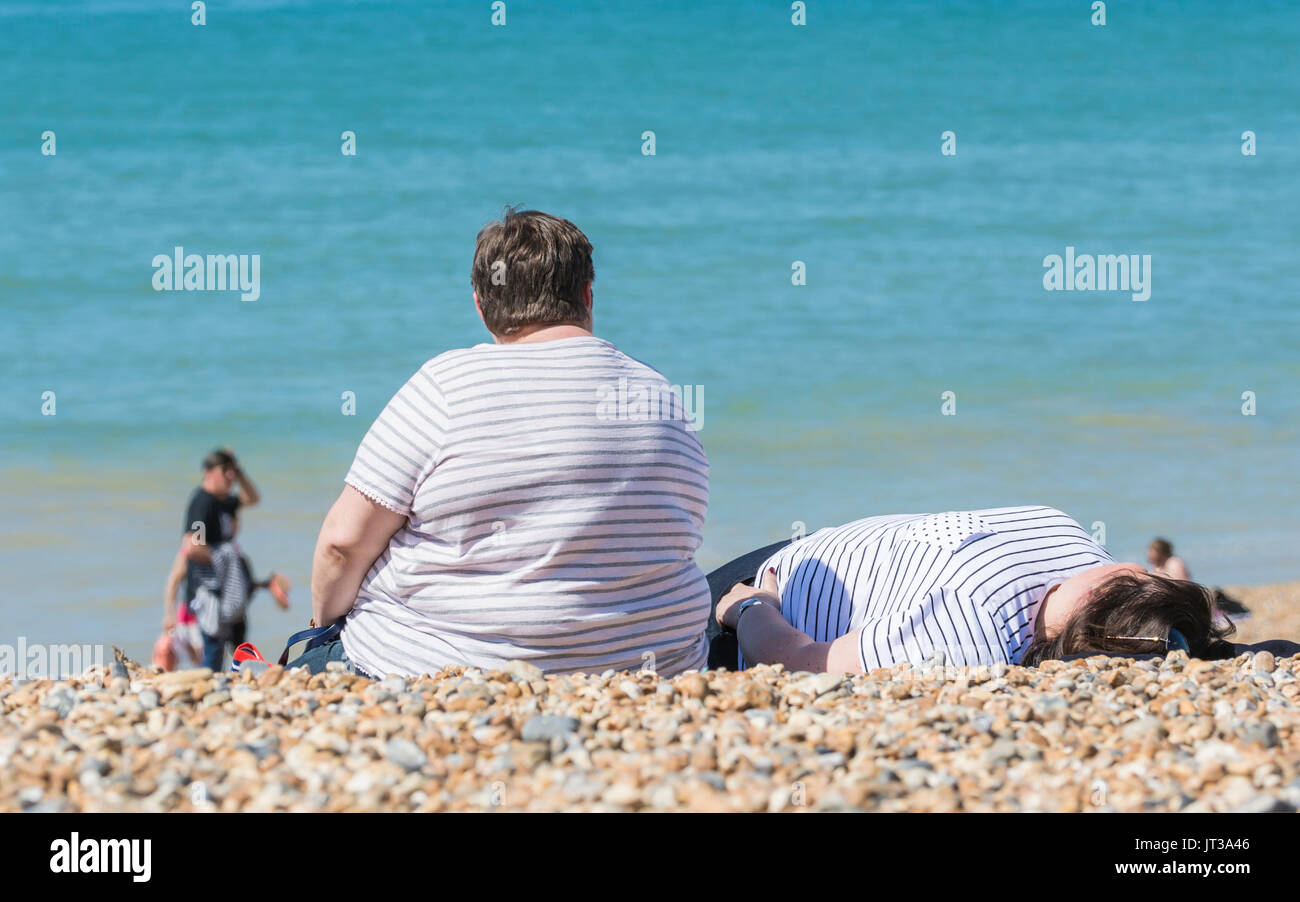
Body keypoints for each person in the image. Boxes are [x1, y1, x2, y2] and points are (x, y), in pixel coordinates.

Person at [300, 208, 710, 678]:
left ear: (480, 305)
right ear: (586, 295)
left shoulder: (446, 387)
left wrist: (323, 626)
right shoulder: (662, 396)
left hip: (443, 671)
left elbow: (342, 544)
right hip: (653, 671)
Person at [714, 505, 1235, 674]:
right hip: (816, 547)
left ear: (1099, 604)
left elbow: (803, 661)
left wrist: (749, 608)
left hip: (766, 600)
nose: (1136, 567)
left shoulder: (968, 629)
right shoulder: (1074, 543)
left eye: (1138, 582)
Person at [162, 449, 261, 669]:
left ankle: (240, 681)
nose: (230, 477)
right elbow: (191, 546)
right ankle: (212, 684)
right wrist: (224, 558)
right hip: (208, 590)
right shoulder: (202, 503)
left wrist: (239, 471)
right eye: (225, 471)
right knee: (213, 647)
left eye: (232, 472)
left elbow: (254, 498)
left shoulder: (226, 501)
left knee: (239, 643)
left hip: (230, 587)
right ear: (208, 473)